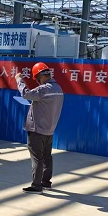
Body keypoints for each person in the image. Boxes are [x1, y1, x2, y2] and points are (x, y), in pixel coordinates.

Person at [15, 62, 64, 193]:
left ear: (41, 76)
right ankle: (46, 182)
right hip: (49, 129)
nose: (37, 81)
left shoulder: (44, 89)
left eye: (37, 79)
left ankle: (36, 185)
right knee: (47, 156)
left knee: (37, 157)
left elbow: (26, 94)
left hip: (37, 129)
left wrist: (19, 80)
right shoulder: (58, 89)